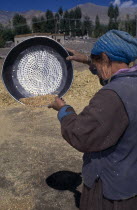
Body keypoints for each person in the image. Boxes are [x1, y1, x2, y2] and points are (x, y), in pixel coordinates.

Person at [48, 30, 137, 210]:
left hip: (110, 190)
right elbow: (113, 75)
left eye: (96, 63)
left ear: (105, 58)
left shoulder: (111, 97)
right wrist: (89, 61)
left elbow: (81, 134)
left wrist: (64, 110)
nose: (96, 72)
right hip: (130, 179)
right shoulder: (131, 83)